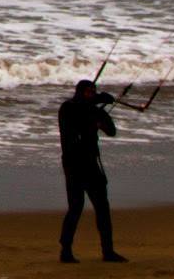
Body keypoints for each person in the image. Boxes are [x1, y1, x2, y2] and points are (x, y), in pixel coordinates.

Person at [58, 79, 124, 263]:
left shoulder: (94, 110)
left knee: (102, 207)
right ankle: (66, 250)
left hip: (91, 164)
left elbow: (111, 131)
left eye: (93, 91)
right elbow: (76, 115)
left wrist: (101, 116)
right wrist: (97, 101)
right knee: (75, 207)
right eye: (88, 92)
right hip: (73, 165)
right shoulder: (68, 108)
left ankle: (108, 251)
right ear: (80, 92)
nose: (92, 94)